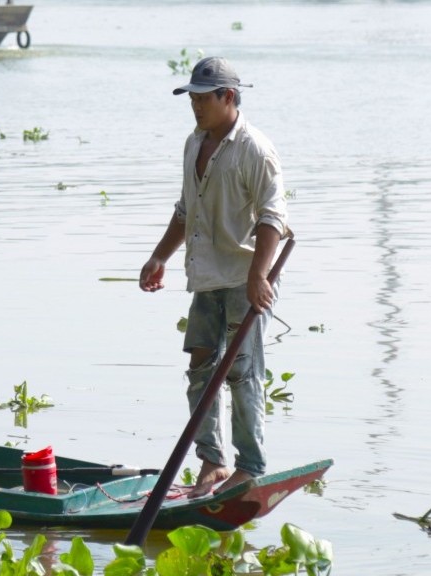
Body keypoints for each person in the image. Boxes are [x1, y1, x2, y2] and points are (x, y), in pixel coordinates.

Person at [139, 56, 288, 498]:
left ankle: (250, 466)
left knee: (243, 372)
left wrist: (259, 275)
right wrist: (159, 256)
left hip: (246, 279)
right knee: (200, 368)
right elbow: (187, 210)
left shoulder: (254, 148)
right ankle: (212, 462)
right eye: (193, 98)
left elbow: (273, 217)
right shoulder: (194, 143)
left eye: (204, 98)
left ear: (230, 97)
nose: (196, 106)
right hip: (206, 277)